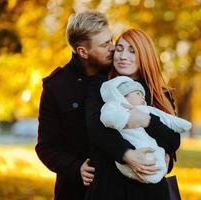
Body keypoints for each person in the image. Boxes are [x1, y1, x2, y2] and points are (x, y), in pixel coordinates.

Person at [35, 11, 155, 200]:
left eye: (111, 40)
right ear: (83, 51)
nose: (113, 48)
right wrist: (75, 168)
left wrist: (167, 156)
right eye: (105, 44)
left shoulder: (123, 71)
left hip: (126, 188)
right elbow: (46, 146)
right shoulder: (56, 87)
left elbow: (156, 110)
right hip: (77, 192)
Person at [85, 29, 181, 200]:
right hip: (109, 187)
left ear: (144, 55)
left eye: (132, 51)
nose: (123, 56)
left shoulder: (160, 94)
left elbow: (173, 142)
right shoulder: (103, 86)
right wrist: (128, 155)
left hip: (150, 190)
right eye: (119, 48)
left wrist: (147, 121)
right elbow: (97, 130)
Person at [99, 76, 192, 183]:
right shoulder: (117, 107)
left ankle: (155, 172)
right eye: (138, 94)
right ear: (124, 97)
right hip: (119, 172)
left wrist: (148, 121)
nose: (143, 97)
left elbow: (168, 120)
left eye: (142, 94)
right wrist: (125, 120)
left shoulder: (150, 106)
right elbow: (106, 120)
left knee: (153, 155)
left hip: (153, 161)